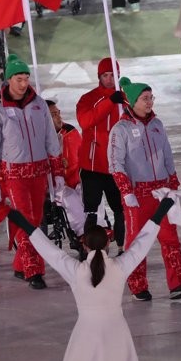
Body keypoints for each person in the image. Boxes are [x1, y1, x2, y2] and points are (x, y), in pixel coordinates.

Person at [6, 199, 173, 361]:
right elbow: (142, 244)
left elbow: (51, 252)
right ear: (109, 243)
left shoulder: (76, 271)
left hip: (86, 334)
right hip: (117, 333)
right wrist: (161, 211)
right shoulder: (120, 266)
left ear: (84, 246)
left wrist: (24, 224)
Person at [108, 79, 181, 301]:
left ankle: (179, 283)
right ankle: (137, 285)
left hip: (162, 192)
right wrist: (126, 191)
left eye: (151, 98)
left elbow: (167, 154)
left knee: (170, 237)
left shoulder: (157, 124)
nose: (149, 102)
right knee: (137, 241)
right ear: (131, 101)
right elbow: (115, 163)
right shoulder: (121, 130)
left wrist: (173, 183)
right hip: (137, 195)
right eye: (145, 98)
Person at [0, 55, 65, 290]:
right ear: (9, 79)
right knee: (28, 222)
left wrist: (57, 170)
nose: (24, 83)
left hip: (38, 172)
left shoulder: (39, 104)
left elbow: (51, 138)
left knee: (35, 220)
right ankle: (33, 270)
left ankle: (21, 265)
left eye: (26, 78)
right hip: (14, 174)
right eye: (19, 79)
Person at [76, 57, 128, 250]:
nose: (109, 79)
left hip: (116, 166)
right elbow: (86, 121)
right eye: (105, 75)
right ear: (99, 76)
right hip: (92, 166)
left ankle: (122, 248)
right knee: (91, 212)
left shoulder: (125, 99)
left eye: (113, 75)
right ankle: (89, 250)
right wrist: (109, 102)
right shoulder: (88, 98)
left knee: (120, 210)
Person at [47, 99, 86, 238]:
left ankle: (98, 229)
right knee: (70, 198)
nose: (58, 117)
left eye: (58, 113)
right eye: (53, 114)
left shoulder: (70, 132)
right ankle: (82, 234)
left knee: (88, 193)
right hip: (54, 186)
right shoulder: (39, 138)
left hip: (75, 179)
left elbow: (83, 156)